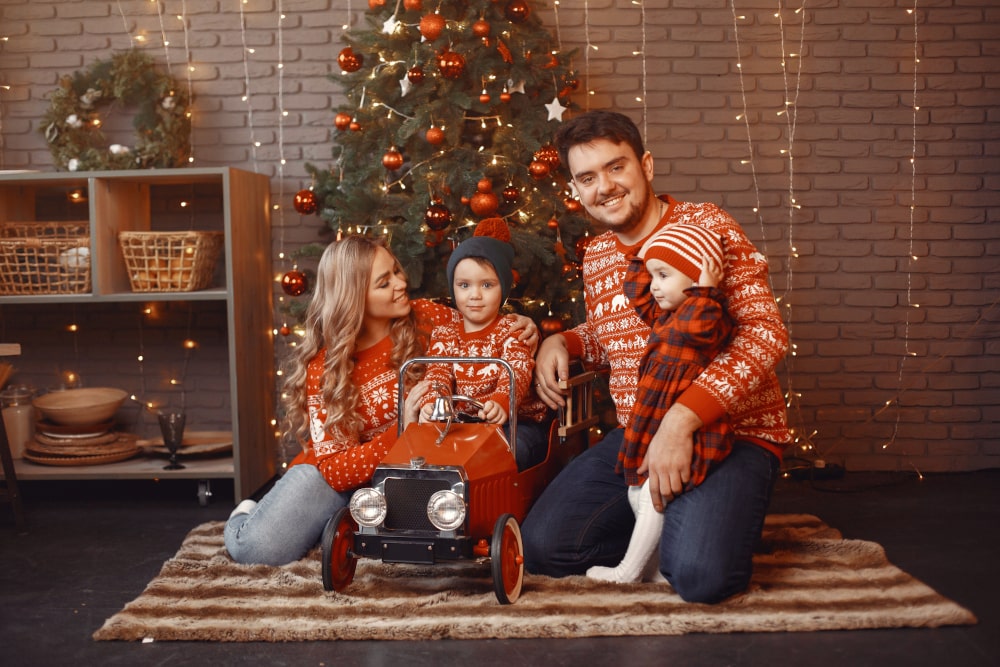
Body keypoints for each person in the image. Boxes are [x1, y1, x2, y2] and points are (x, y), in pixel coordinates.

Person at [525, 110, 791, 603]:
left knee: (700, 577)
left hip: (730, 432)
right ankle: (668, 529)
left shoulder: (706, 226)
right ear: (576, 190)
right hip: (639, 432)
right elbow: (611, 339)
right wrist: (561, 341)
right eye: (587, 177)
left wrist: (682, 421)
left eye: (615, 167)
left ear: (645, 165)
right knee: (544, 547)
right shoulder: (598, 256)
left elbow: (764, 333)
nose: (604, 186)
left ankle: (699, 530)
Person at [224, 234, 537, 566]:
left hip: (416, 469)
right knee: (254, 550)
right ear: (354, 295)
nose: (402, 284)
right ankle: (247, 513)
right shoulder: (325, 368)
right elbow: (334, 470)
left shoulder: (427, 318)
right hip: (337, 475)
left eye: (397, 272)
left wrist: (525, 327)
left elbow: (486, 329)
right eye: (384, 282)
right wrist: (403, 429)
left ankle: (343, 522)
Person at [586, 223, 734, 584]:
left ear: (696, 279)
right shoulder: (666, 318)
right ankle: (653, 569)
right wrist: (645, 257)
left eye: (664, 275)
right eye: (653, 275)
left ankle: (628, 571)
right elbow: (637, 292)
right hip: (649, 420)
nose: (654, 285)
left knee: (653, 496)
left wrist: (706, 287)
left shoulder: (705, 313)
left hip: (674, 424)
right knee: (637, 495)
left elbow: (702, 320)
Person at [419, 218, 551, 471]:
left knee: (504, 450)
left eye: (487, 285)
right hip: (463, 423)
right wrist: (434, 402)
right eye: (464, 285)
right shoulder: (446, 333)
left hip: (514, 422)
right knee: (430, 450)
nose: (475, 295)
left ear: (503, 288)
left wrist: (503, 400)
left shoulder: (511, 329)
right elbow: (438, 373)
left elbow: (518, 369)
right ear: (453, 288)